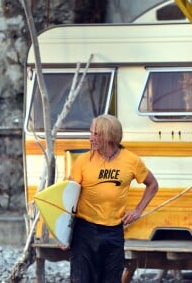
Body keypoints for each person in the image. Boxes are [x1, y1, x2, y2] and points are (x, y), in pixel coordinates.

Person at [68, 114, 159, 283]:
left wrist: (138, 210)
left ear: (109, 136)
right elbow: (67, 197)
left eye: (96, 134)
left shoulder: (131, 161)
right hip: (84, 231)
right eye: (91, 133)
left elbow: (152, 184)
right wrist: (62, 233)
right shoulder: (82, 161)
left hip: (114, 232)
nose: (91, 138)